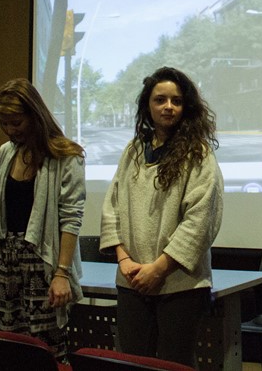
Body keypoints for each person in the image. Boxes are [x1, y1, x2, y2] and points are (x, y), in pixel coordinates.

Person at [100, 67, 223, 366]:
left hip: (180, 285)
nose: (168, 107)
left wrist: (158, 269)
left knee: (174, 365)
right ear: (148, 105)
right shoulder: (133, 151)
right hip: (132, 281)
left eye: (176, 101)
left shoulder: (199, 154)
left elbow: (200, 220)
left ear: (186, 107)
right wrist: (124, 260)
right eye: (160, 100)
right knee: (132, 363)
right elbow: (112, 207)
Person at [0, 78, 86, 361]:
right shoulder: (7, 152)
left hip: (44, 261)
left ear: (34, 115)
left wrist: (61, 274)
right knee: (12, 347)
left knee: (46, 348)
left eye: (16, 122)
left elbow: (71, 219)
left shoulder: (66, 155)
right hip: (9, 261)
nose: (10, 130)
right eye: (4, 123)